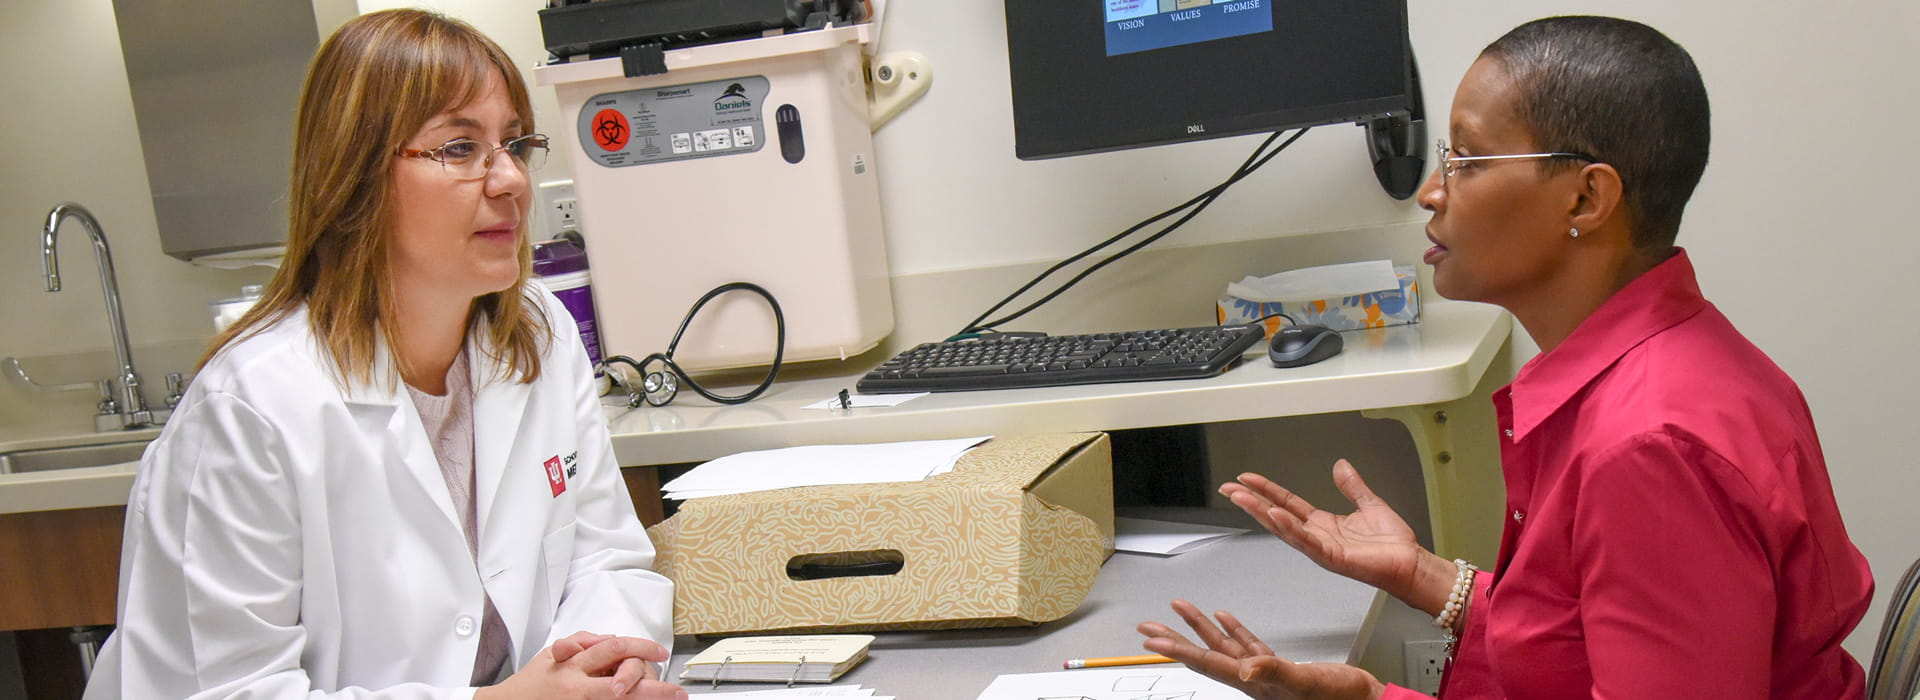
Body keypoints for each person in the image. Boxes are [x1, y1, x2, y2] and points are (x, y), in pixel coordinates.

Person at [1138, 16, 1873, 699]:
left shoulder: (1649, 447)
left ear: (1587, 199)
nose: (1431, 191)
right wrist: (1423, 580)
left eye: (1468, 159)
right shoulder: (1664, 369)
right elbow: (1576, 643)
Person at [84, 10, 685, 699]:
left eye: (516, 144)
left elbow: (605, 558)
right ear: (356, 174)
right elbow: (229, 691)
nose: (511, 180)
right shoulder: (251, 408)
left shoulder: (537, 332)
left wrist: (604, 671)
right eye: (460, 148)